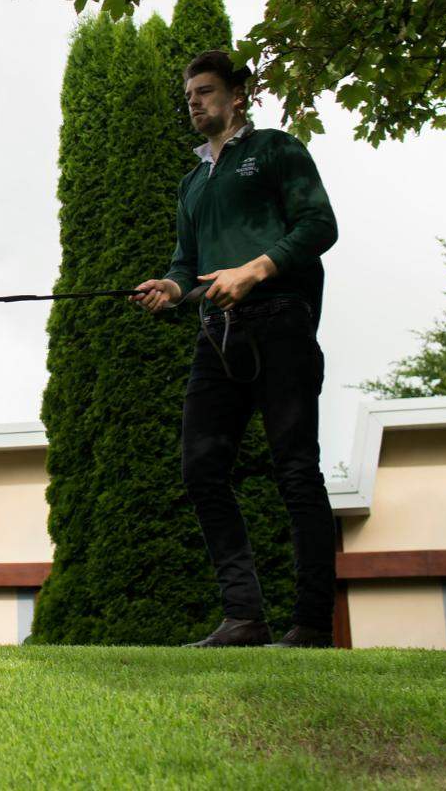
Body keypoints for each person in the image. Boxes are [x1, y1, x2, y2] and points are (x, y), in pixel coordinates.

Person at [131, 50, 339, 648]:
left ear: (237, 95)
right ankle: (244, 618)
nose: (193, 101)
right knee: (201, 469)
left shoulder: (276, 151)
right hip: (218, 336)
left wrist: (255, 269)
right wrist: (171, 289)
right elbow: (186, 266)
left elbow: (319, 226)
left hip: (282, 323)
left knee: (296, 470)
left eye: (204, 90)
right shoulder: (192, 183)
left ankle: (312, 626)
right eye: (189, 93)